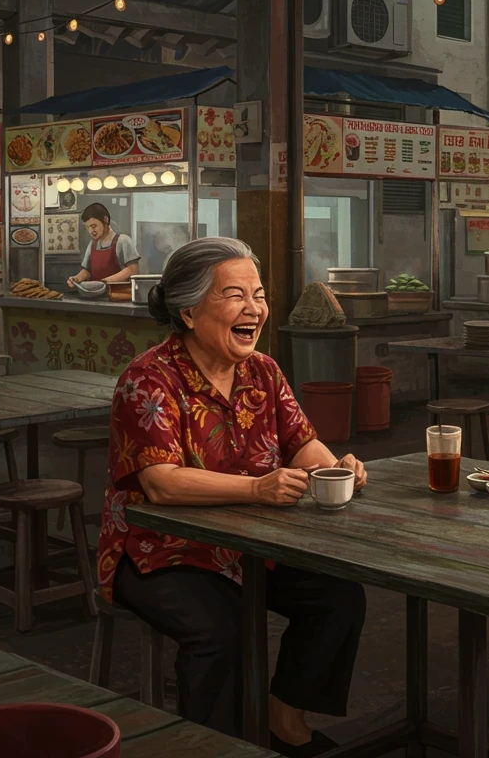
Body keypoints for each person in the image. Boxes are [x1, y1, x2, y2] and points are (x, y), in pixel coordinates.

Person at [98, 237, 368, 757]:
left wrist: (336, 468)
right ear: (189, 311)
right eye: (234, 295)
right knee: (224, 632)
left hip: (254, 546)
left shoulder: (263, 371)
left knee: (339, 597)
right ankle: (214, 747)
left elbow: (301, 442)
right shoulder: (148, 378)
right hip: (160, 551)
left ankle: (282, 721)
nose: (255, 309)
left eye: (259, 293)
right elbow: (160, 481)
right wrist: (258, 488)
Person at [67, 203, 140, 288]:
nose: (91, 231)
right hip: (96, 295)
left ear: (105, 219)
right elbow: (87, 271)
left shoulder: (123, 241)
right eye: (87, 227)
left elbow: (132, 270)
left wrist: (104, 283)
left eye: (93, 226)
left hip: (118, 295)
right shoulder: (92, 245)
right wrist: (76, 278)